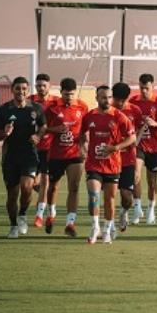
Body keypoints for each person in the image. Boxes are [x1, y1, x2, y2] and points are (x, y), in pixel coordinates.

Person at [79, 86, 136, 244]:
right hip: (93, 164)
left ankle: (107, 229)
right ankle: (95, 226)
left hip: (112, 165)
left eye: (109, 97)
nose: (107, 100)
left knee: (110, 199)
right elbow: (81, 134)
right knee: (93, 195)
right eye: (104, 97)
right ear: (97, 98)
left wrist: (115, 147)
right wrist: (82, 147)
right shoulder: (89, 116)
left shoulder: (119, 116)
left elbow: (132, 138)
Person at [0, 77, 47, 238]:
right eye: (18, 88)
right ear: (12, 90)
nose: (21, 91)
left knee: (27, 186)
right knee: (12, 194)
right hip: (10, 157)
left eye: (24, 88)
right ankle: (13, 225)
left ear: (28, 90)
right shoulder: (3, 110)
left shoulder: (36, 108)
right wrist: (5, 133)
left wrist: (38, 136)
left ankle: (22, 214)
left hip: (29, 155)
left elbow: (44, 126)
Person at [44, 77, 89, 236]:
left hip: (75, 154)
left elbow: (84, 130)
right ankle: (51, 214)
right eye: (66, 94)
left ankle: (70, 223)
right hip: (56, 154)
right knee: (54, 187)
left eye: (71, 94)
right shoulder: (52, 108)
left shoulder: (83, 107)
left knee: (74, 187)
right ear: (60, 92)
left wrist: (85, 145)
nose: (69, 97)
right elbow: (43, 129)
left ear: (75, 92)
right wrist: (56, 129)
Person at [129, 73, 157, 225]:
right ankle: (137, 207)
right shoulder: (133, 101)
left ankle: (151, 209)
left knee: (152, 181)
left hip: (154, 147)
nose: (144, 91)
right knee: (135, 175)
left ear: (153, 86)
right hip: (139, 145)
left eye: (147, 88)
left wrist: (156, 123)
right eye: (141, 88)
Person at [111, 82, 144, 232]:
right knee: (109, 194)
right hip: (110, 159)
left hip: (128, 159)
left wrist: (135, 142)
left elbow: (140, 129)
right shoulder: (108, 110)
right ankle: (108, 225)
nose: (119, 103)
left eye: (122, 100)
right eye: (117, 100)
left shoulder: (135, 111)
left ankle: (123, 212)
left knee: (126, 196)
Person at [30, 73, 57, 228]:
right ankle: (48, 201)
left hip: (49, 147)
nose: (41, 88)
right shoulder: (30, 101)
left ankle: (39, 214)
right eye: (38, 85)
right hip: (32, 148)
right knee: (32, 183)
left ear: (49, 86)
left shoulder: (55, 102)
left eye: (43, 85)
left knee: (45, 181)